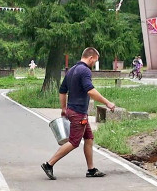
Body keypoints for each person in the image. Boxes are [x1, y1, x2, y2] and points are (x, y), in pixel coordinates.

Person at [41, 47, 116, 180]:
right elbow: (90, 91)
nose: (94, 64)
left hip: (73, 110)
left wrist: (63, 108)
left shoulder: (72, 70)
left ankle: (91, 169)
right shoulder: (85, 70)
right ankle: (49, 164)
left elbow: (62, 90)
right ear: (90, 57)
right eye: (95, 61)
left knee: (89, 138)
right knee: (74, 142)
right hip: (78, 113)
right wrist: (107, 102)